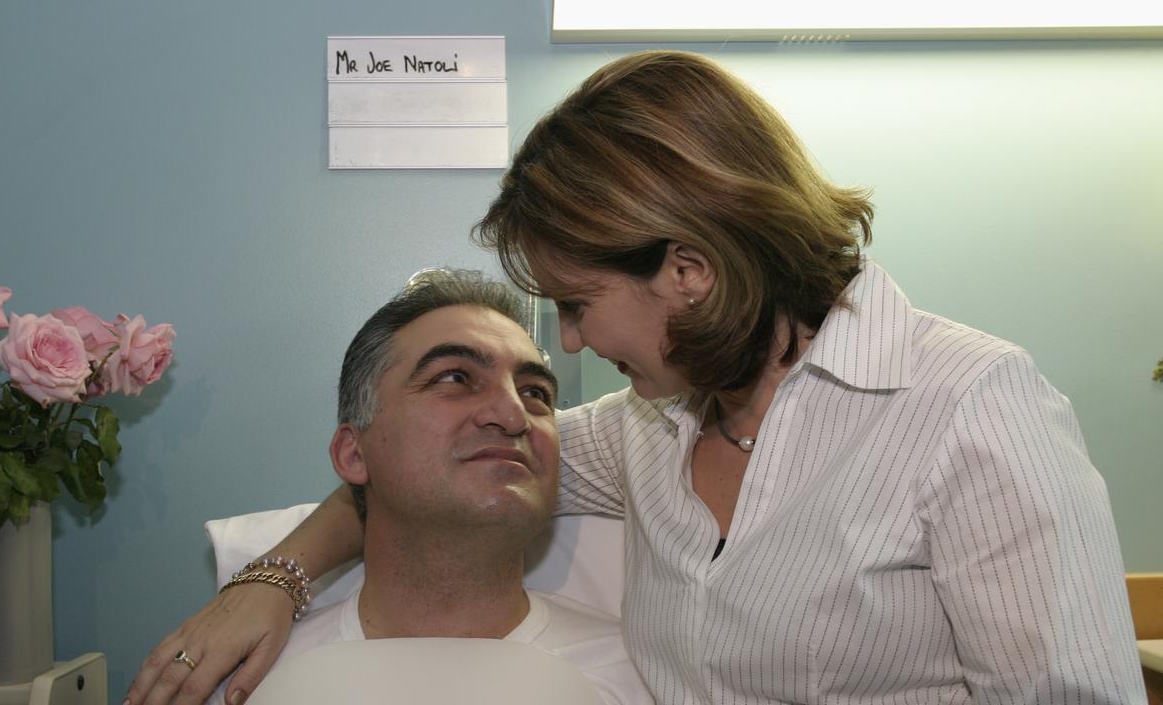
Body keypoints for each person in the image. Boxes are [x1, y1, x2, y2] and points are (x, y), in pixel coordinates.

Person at [130, 51, 1144, 705]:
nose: (567, 348)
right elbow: (432, 478)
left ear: (686, 275)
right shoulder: (650, 431)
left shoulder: (965, 407)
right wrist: (265, 583)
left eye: (574, 305)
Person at [193, 270, 651, 705]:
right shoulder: (241, 678)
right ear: (353, 454)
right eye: (454, 378)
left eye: (535, 393)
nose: (514, 416)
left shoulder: (648, 677)